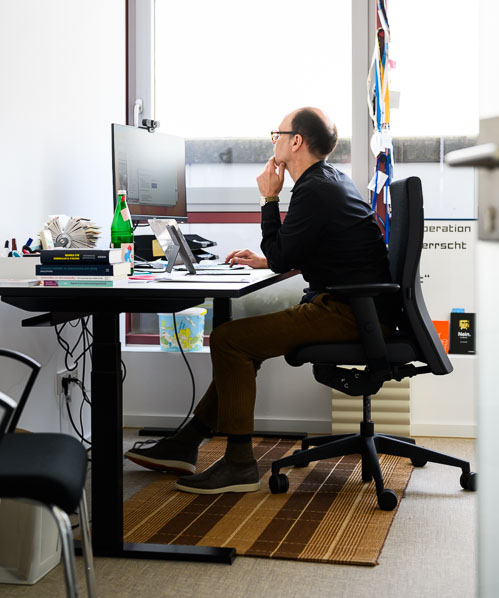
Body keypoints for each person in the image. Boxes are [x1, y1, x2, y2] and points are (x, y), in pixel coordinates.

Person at [125, 107, 396, 494]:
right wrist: (267, 259)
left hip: (350, 311)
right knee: (239, 344)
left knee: (228, 339)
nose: (275, 141)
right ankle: (186, 444)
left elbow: (288, 255)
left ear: (296, 141)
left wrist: (269, 199)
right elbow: (311, 251)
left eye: (277, 134)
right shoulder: (327, 181)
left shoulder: (313, 189)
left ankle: (237, 464)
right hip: (354, 305)